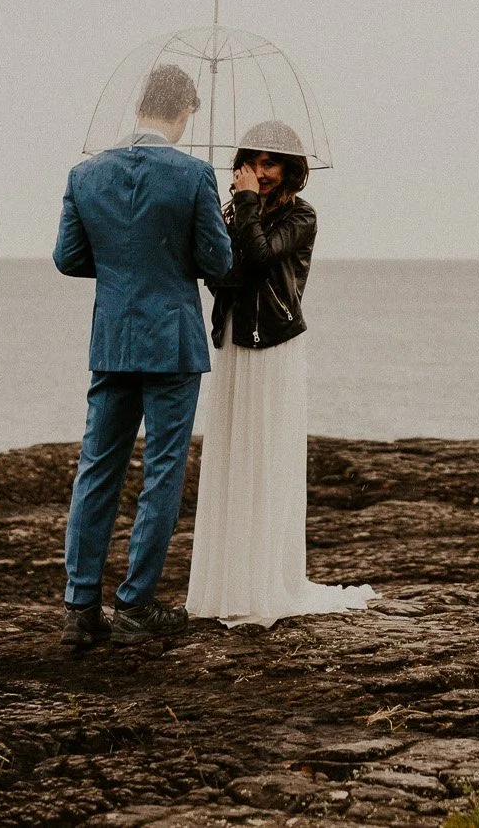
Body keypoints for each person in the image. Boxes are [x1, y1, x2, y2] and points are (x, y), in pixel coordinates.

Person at [53, 62, 231, 648]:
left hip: (113, 339)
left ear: (140, 106)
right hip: (172, 341)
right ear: (183, 112)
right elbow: (217, 262)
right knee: (161, 474)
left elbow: (68, 258)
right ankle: (134, 605)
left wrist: (122, 269)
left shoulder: (86, 174)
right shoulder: (193, 174)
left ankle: (81, 609)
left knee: (97, 469)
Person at [186, 120, 374, 626]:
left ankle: (266, 581)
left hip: (273, 343)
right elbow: (221, 270)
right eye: (251, 162)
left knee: (265, 457)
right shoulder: (231, 211)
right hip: (231, 341)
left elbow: (262, 256)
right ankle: (229, 582)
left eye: (268, 163)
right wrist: (233, 223)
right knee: (232, 455)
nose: (258, 173)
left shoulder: (303, 216)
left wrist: (244, 212)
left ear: (290, 169)